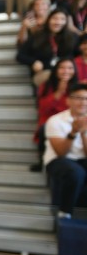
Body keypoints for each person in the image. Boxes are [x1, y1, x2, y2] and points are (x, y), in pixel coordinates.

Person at [44, 83, 87, 220]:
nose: (83, 102)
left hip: (82, 158)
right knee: (76, 172)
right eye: (79, 98)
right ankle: (64, 212)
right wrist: (74, 132)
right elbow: (61, 152)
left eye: (86, 99)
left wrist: (83, 132)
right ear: (68, 100)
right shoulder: (55, 120)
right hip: (58, 160)